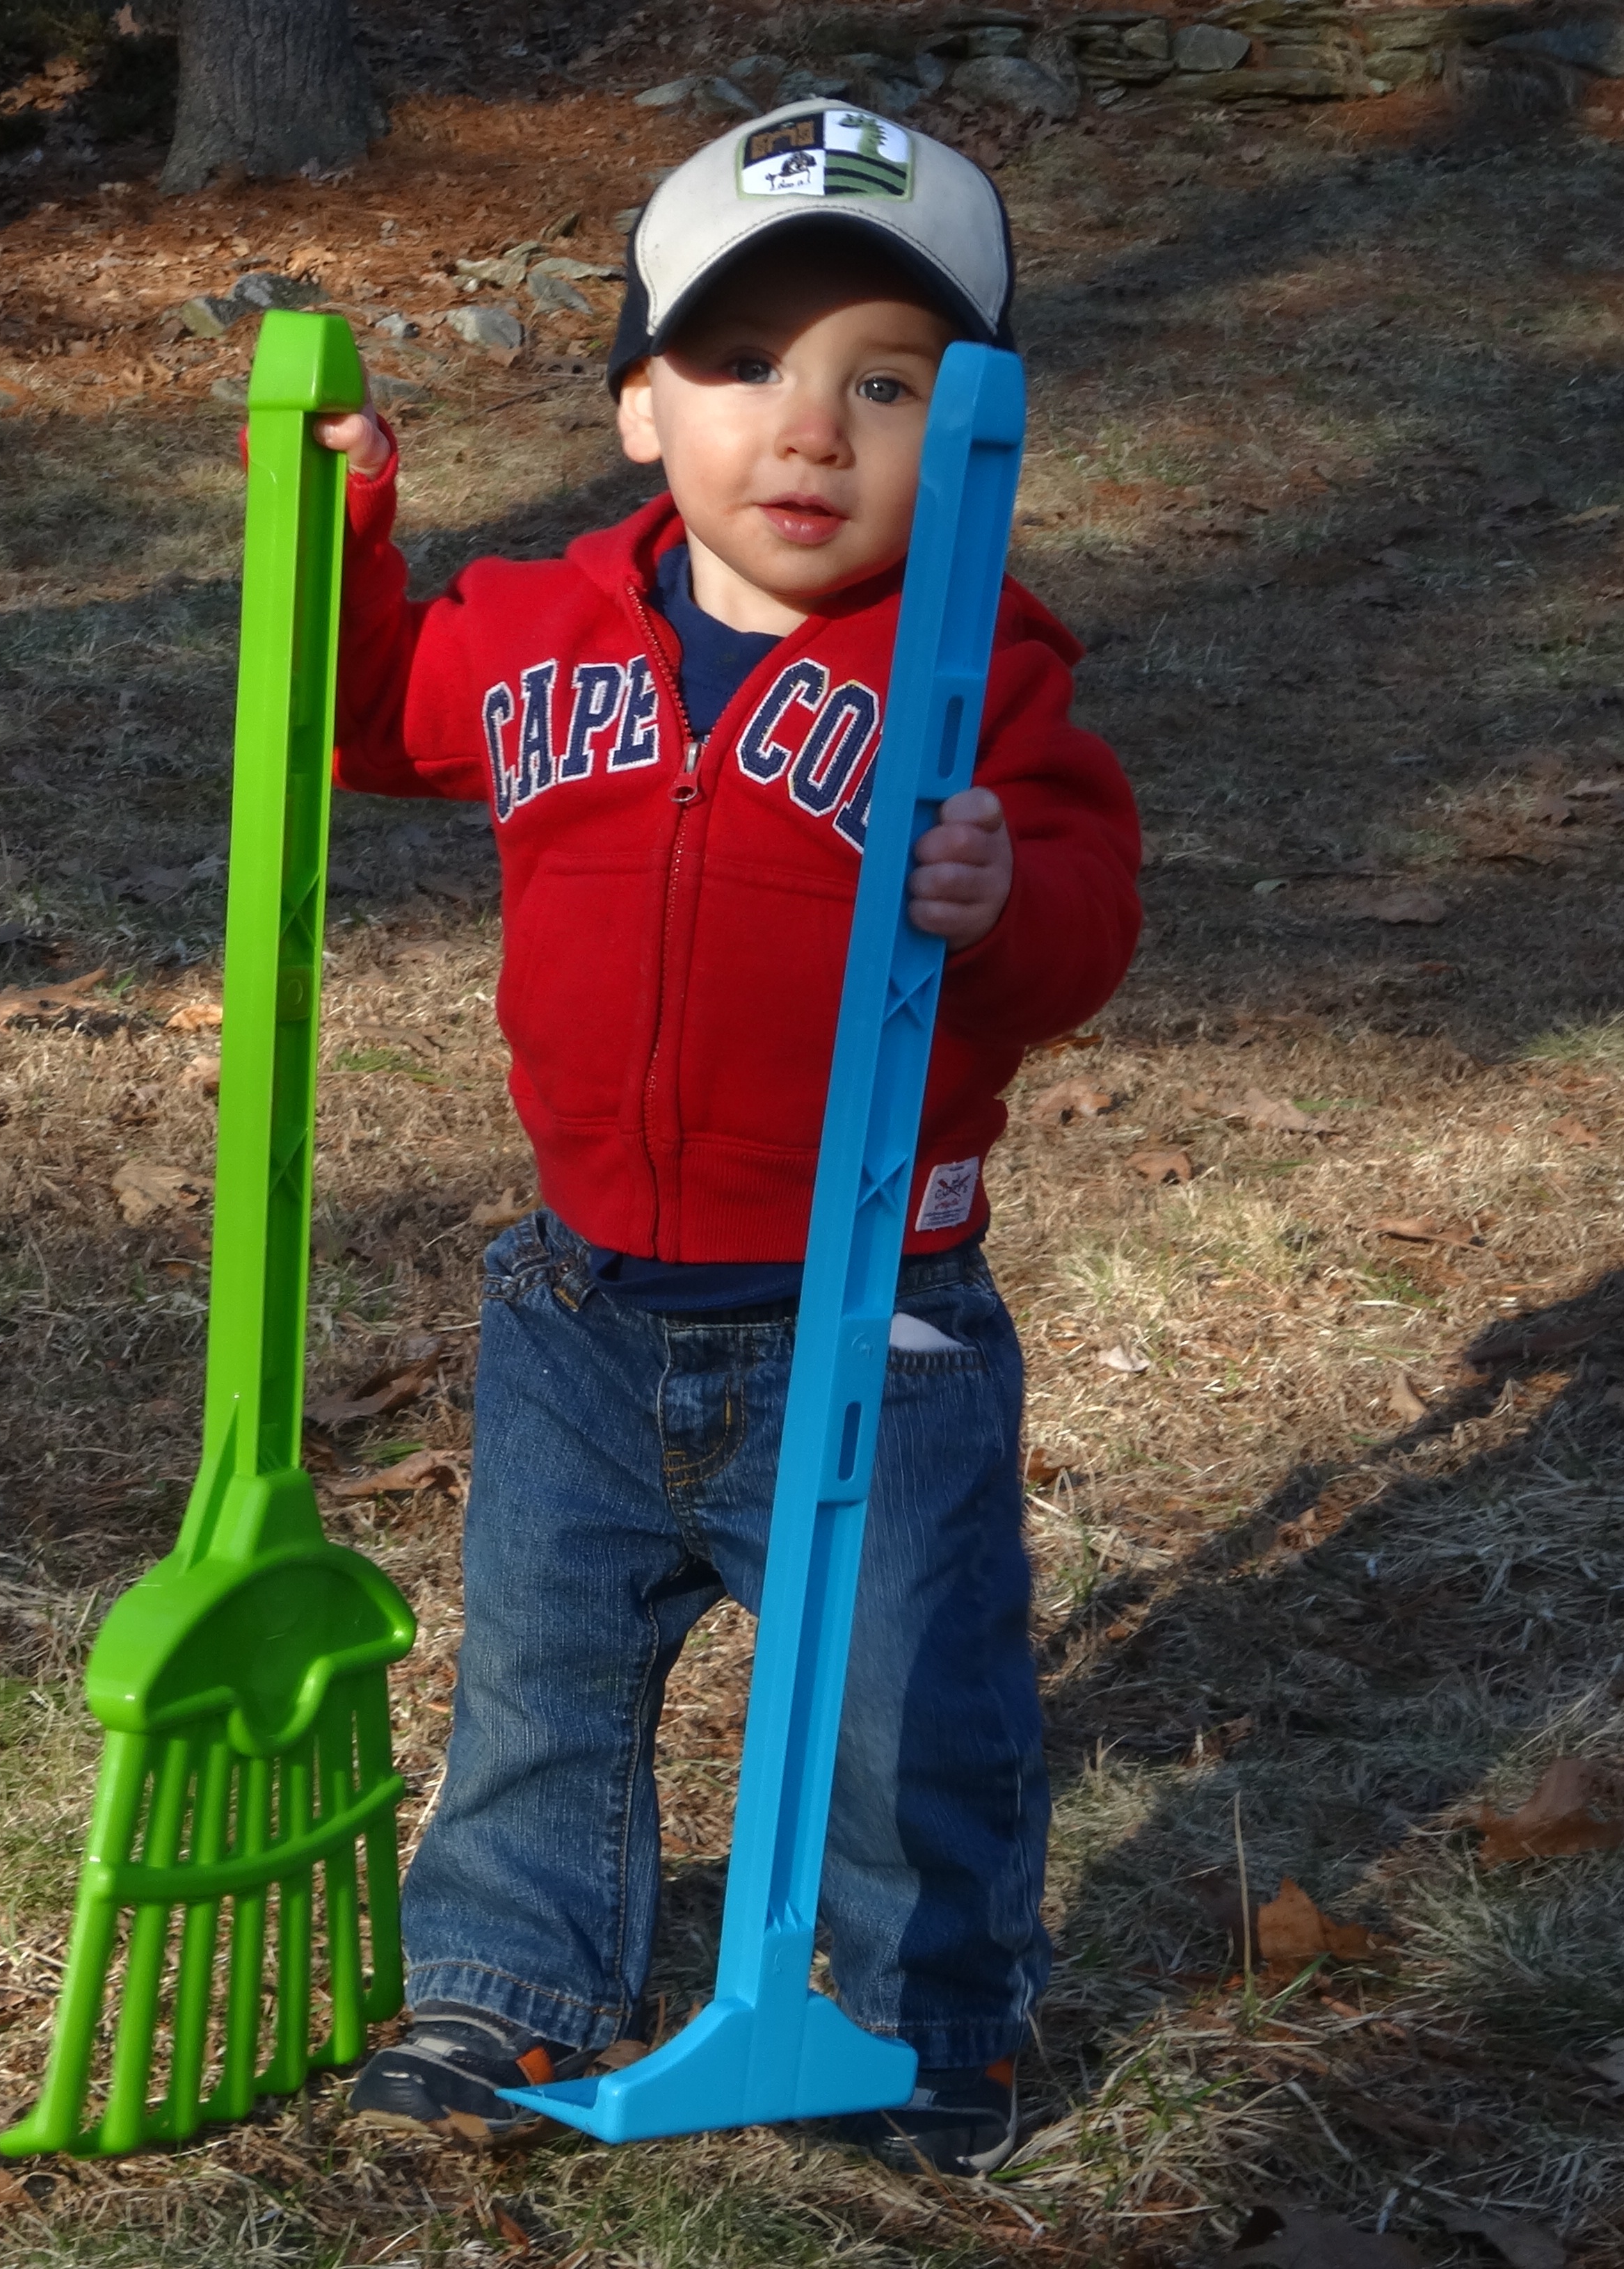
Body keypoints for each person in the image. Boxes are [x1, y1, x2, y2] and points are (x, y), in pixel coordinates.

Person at [305, 99, 1144, 2176]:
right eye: (746, 363)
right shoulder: (537, 632)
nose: (812, 429)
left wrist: (1001, 901)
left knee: (902, 1698)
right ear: (637, 409)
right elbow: (359, 713)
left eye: (889, 383)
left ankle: (921, 2021)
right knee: (543, 1675)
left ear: (979, 439)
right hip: (581, 1302)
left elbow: (1083, 930)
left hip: (872, 1314)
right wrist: (340, 527)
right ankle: (507, 1978)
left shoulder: (980, 680)